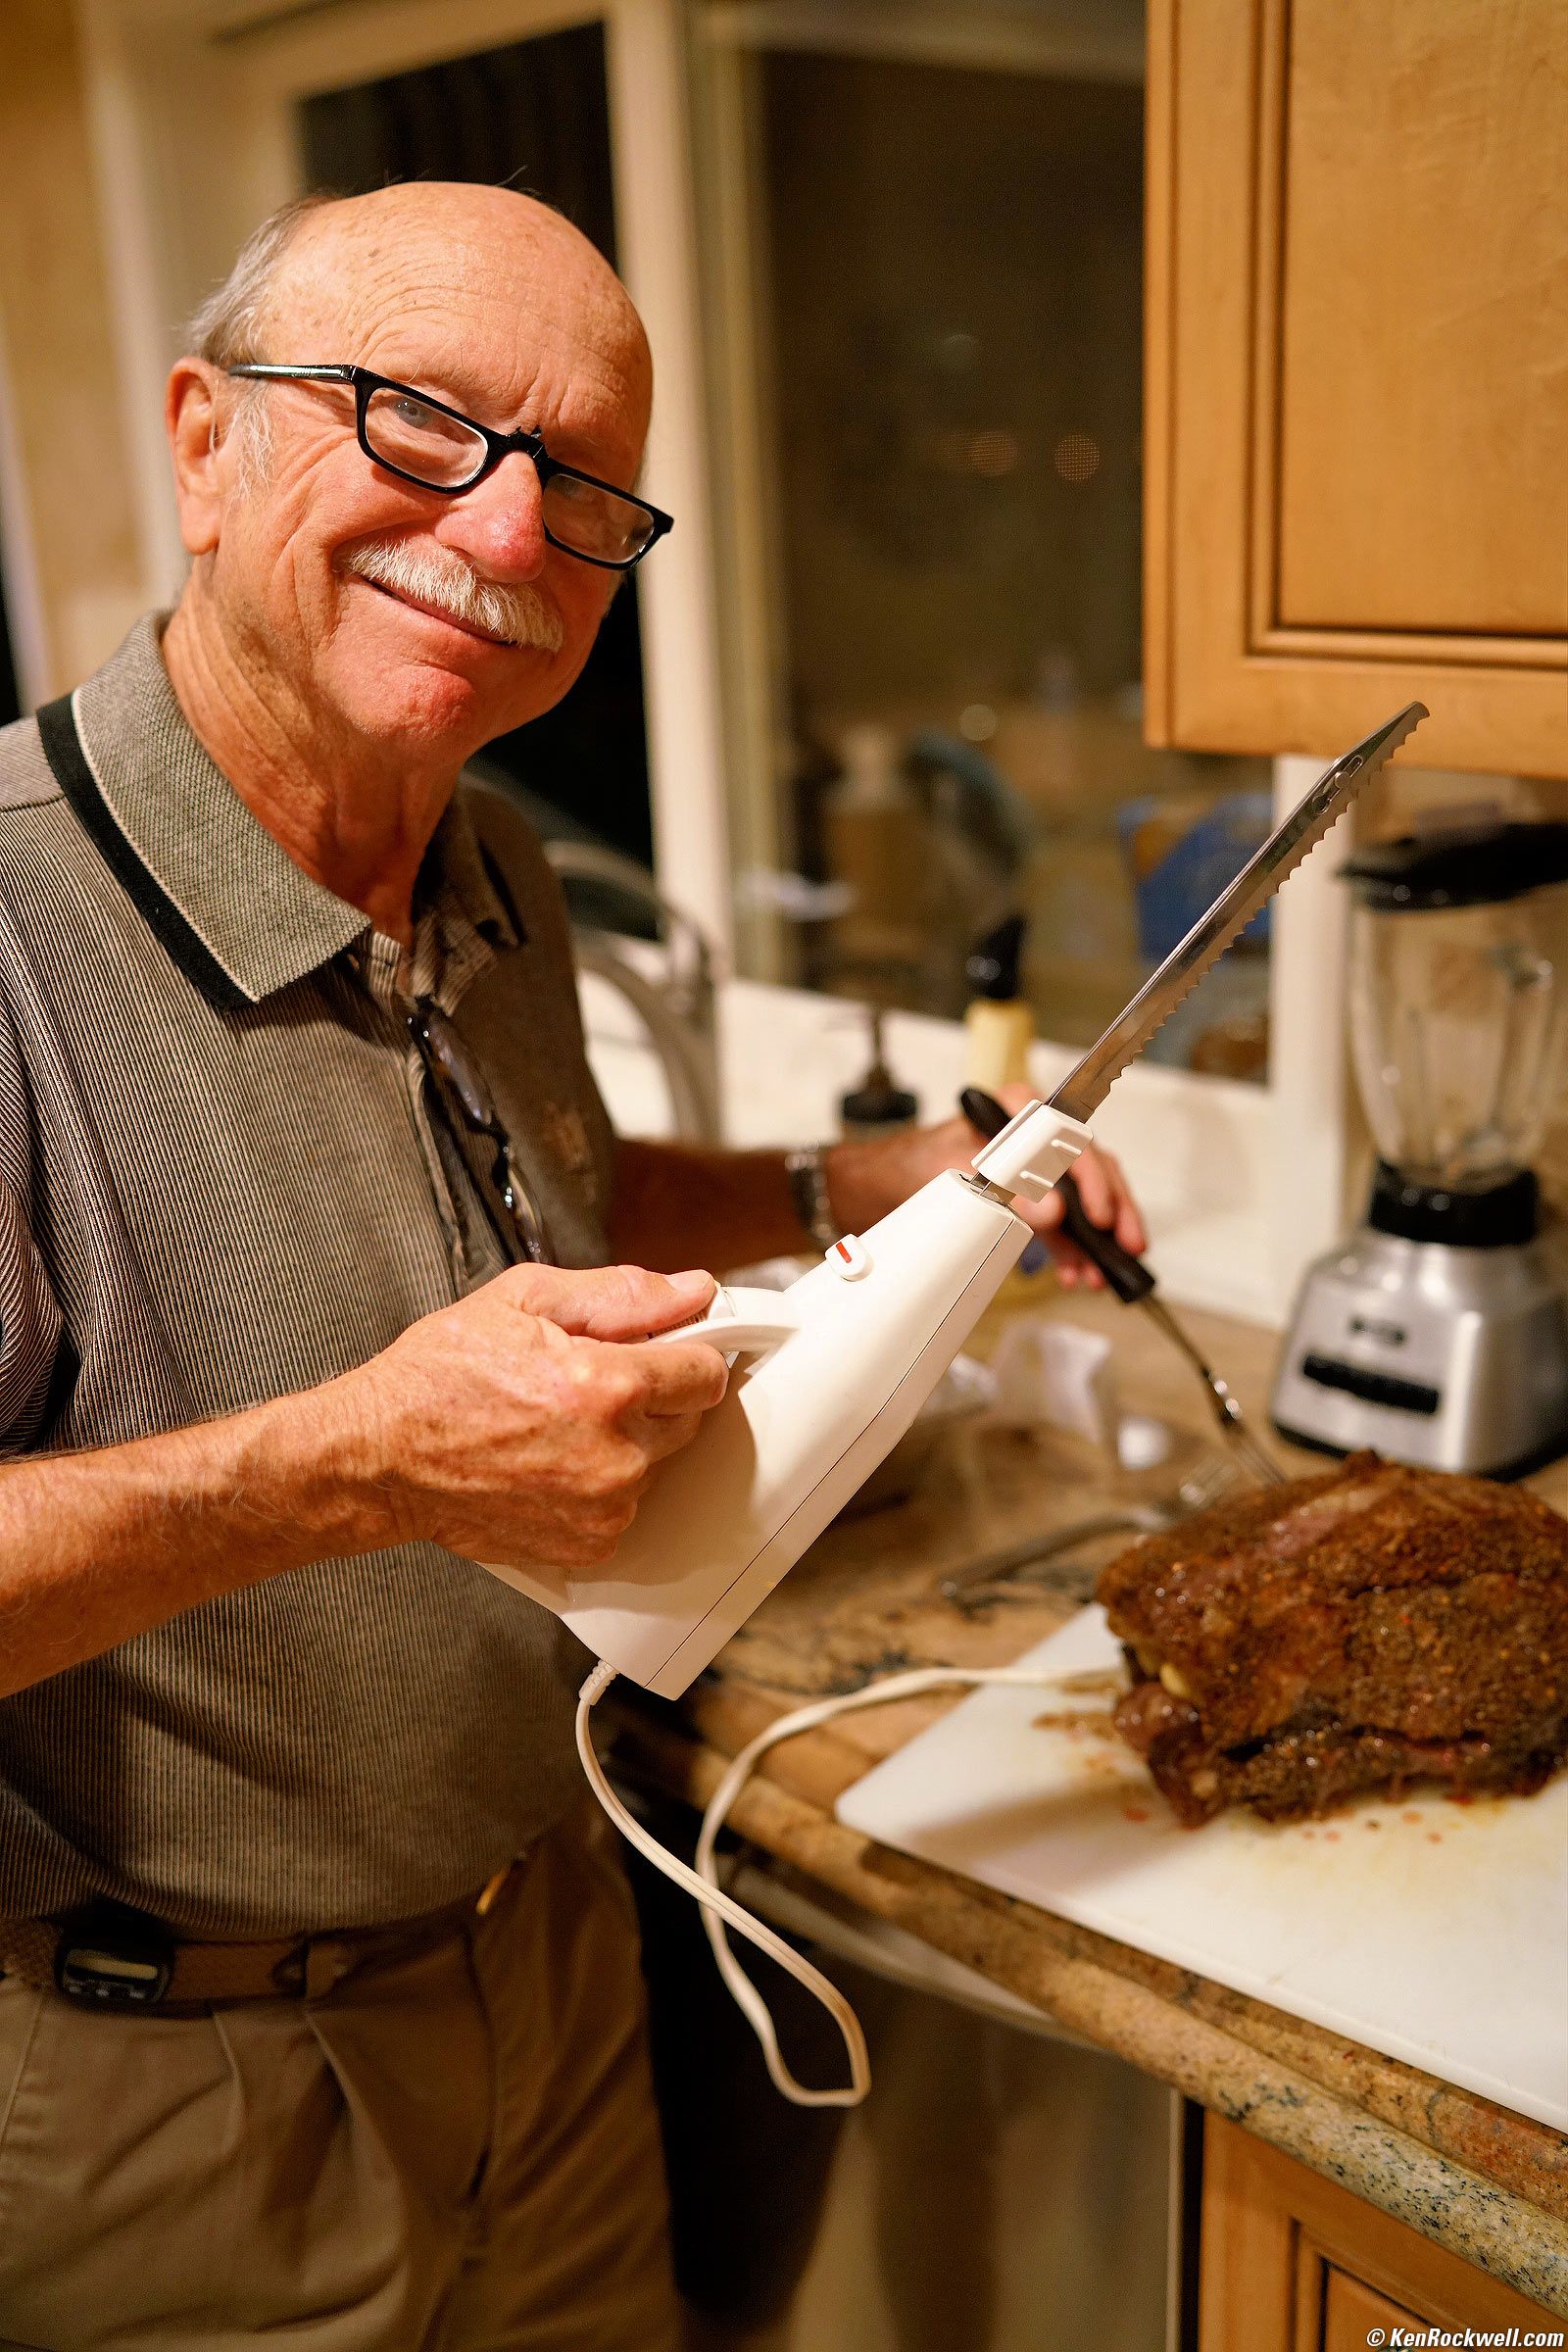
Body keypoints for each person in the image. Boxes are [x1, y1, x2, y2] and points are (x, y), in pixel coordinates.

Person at [0, 183, 1145, 2349]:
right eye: (418, 419)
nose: (512, 534)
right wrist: (367, 1467)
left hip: (550, 1968)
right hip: (167, 2100)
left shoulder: (480, 842)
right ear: (201, 437)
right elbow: (363, 1446)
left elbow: (563, 1177)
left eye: (584, 485)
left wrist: (879, 1174)